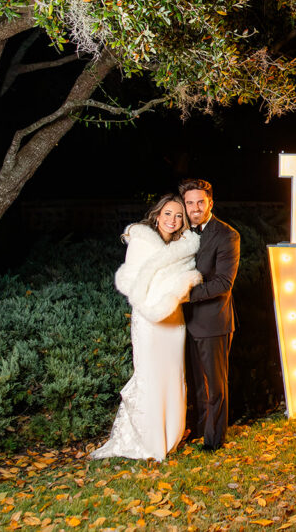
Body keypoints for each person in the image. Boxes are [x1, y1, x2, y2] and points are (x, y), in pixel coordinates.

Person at [91, 194, 202, 462]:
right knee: (150, 375)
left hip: (173, 320)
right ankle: (149, 441)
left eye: (178, 216)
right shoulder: (141, 241)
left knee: (172, 375)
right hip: (148, 320)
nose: (172, 220)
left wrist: (178, 287)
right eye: (168, 213)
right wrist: (154, 300)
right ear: (157, 214)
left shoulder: (184, 245)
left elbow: (185, 279)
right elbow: (131, 282)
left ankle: (170, 435)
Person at [179, 178, 240, 451]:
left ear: (210, 203)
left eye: (200, 202)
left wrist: (184, 295)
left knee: (215, 385)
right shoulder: (180, 232)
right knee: (196, 384)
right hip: (183, 322)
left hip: (213, 321)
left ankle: (214, 440)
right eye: (189, 203)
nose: (195, 208)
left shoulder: (227, 235)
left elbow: (223, 283)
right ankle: (200, 430)